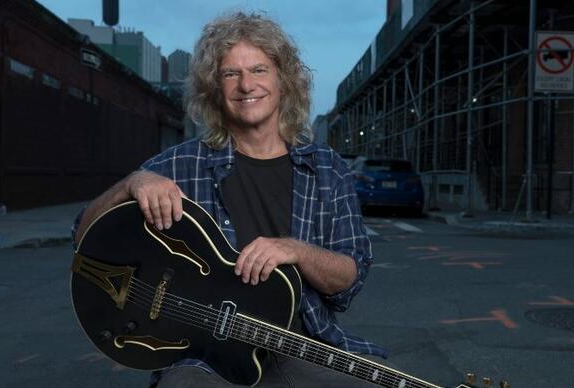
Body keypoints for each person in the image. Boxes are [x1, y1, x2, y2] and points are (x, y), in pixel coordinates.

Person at [72, 12, 388, 387]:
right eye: (230, 73)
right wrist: (131, 184)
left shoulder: (328, 168)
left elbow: (349, 280)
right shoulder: (179, 163)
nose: (246, 85)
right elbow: (83, 236)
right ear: (214, 88)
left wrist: (296, 251)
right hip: (203, 357)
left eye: (259, 69)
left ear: (283, 80)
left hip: (301, 344)